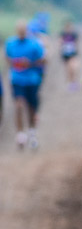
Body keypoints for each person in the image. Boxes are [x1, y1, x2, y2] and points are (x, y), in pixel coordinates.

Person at [5, 20, 47, 150]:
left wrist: (30, 63)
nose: (22, 32)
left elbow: (44, 59)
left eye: (24, 30)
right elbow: (7, 57)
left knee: (31, 108)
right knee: (18, 104)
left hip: (32, 80)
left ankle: (32, 133)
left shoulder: (34, 44)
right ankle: (20, 134)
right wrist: (13, 63)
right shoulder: (10, 43)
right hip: (17, 79)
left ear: (27, 30)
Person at [59, 20, 80, 90]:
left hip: (73, 53)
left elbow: (76, 43)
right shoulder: (63, 34)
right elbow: (60, 43)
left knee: (73, 68)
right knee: (68, 70)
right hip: (65, 54)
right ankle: (70, 82)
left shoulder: (74, 34)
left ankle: (74, 81)